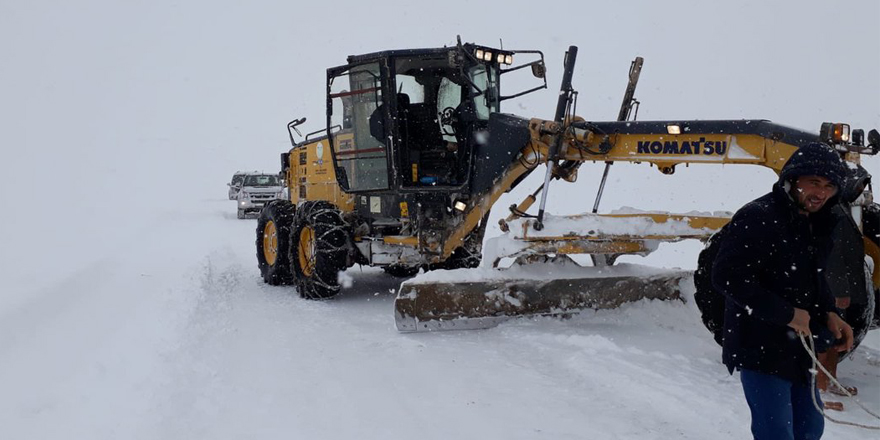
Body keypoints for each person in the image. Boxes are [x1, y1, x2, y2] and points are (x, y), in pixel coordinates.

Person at [712, 142, 855, 440]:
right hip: (760, 346)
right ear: (793, 179)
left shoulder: (820, 221)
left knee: (810, 431)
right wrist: (787, 314)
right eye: (813, 182)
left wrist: (830, 312)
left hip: (801, 348)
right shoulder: (758, 216)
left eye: (829, 185)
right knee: (776, 433)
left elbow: (814, 277)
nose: (821, 193)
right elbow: (727, 277)